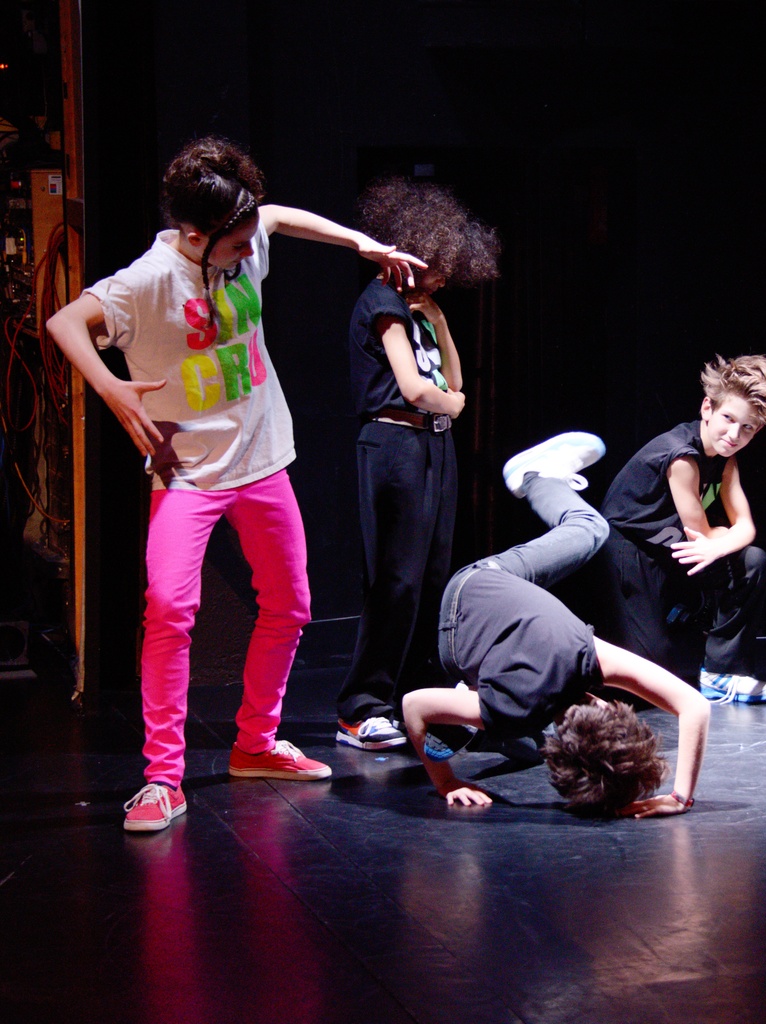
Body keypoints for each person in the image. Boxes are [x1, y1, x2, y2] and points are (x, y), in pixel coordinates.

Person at [46, 136, 426, 831]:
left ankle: (256, 743)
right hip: (189, 474)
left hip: (263, 459)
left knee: (290, 605)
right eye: (235, 242)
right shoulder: (148, 281)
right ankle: (162, 778)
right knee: (169, 609)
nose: (250, 249)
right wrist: (111, 388)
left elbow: (278, 218)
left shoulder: (247, 235)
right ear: (195, 236)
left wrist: (361, 243)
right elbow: (64, 320)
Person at [402, 432, 711, 818]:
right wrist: (446, 781)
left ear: (611, 707)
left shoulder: (589, 659)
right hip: (473, 616)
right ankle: (473, 710)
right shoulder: (520, 703)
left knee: (591, 528)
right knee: (518, 732)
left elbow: (694, 707)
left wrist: (680, 798)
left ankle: (536, 477)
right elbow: (417, 706)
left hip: (475, 600)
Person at [335, 178, 500, 751]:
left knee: (430, 577)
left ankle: (415, 698)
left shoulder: (417, 311)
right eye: (439, 267)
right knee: (395, 581)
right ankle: (360, 708)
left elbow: (452, 377)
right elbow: (417, 388)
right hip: (395, 446)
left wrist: (440, 321)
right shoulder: (381, 304)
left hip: (433, 446)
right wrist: (452, 404)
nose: (445, 278)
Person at [599, 355, 766, 704]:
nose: (734, 435)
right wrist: (722, 539)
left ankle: (722, 673)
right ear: (707, 408)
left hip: (676, 549)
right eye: (728, 419)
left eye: (748, 427)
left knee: (753, 562)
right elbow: (701, 533)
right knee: (650, 678)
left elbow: (745, 526)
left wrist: (720, 542)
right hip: (628, 552)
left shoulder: (726, 460)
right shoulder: (681, 457)